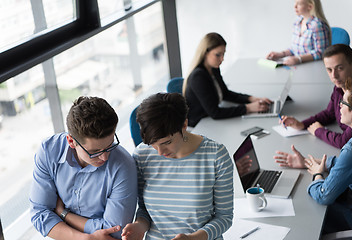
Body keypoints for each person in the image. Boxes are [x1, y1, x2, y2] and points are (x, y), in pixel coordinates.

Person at [121, 93, 233, 240]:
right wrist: (139, 226)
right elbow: (144, 209)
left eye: (166, 143)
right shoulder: (142, 154)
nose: (160, 152)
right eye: (153, 145)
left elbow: (224, 217)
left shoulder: (216, 155)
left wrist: (192, 238)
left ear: (184, 125)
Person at [29, 96, 137, 239]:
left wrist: (63, 214)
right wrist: (85, 238)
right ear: (71, 141)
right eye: (95, 152)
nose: (105, 157)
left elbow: (115, 231)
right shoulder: (49, 151)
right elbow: (40, 214)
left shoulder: (123, 166)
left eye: (110, 145)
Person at [275, 77, 352, 234]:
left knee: (300, 211)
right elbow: (347, 164)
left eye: (343, 103)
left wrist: (317, 175)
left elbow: (324, 195)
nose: (339, 106)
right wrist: (308, 162)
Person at [183, 32, 272, 127]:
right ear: (205, 53)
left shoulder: (214, 68)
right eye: (218, 55)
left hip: (210, 120)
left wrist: (251, 99)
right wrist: (248, 108)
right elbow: (215, 113)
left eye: (223, 54)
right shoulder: (198, 76)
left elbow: (225, 93)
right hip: (200, 124)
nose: (222, 59)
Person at [279, 44, 352, 149]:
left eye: (339, 68)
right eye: (329, 70)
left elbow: (344, 142)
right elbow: (329, 114)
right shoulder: (339, 88)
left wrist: (319, 131)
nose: (334, 75)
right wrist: (302, 124)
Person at [266, 0, 331, 65]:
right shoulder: (297, 22)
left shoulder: (317, 25)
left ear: (310, 7)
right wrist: (280, 54)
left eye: (299, 4)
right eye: (295, 3)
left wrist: (299, 59)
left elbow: (321, 53)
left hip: (313, 66)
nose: (295, 6)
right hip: (298, 66)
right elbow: (294, 49)